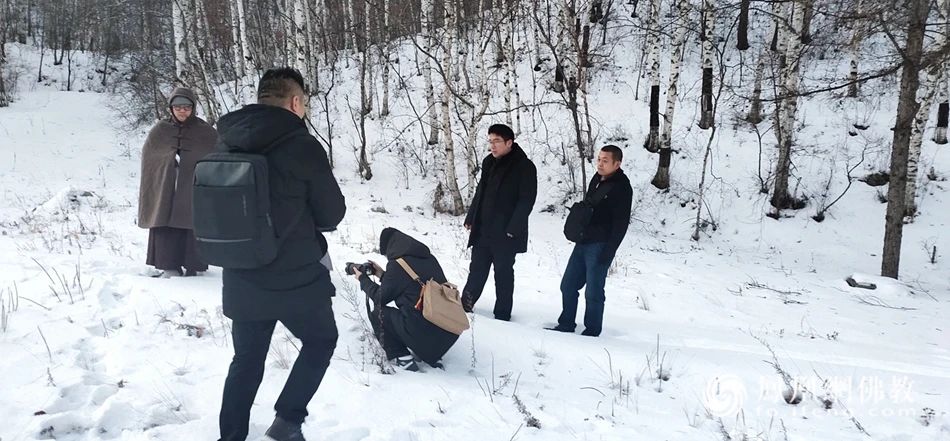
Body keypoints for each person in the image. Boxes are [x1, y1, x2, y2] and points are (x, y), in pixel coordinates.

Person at [216, 68, 346, 441]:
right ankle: (288, 421)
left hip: (242, 271)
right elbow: (331, 214)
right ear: (295, 102)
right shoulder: (302, 146)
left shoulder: (226, 141)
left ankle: (230, 436)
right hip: (295, 276)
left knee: (246, 360)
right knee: (321, 340)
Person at [548, 145, 632, 337]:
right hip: (583, 240)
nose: (600, 164)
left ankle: (592, 332)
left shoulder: (622, 187)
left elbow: (621, 223)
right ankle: (566, 324)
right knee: (568, 285)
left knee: (593, 292)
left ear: (617, 164)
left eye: (605, 161)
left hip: (601, 245)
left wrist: (609, 251)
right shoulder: (597, 179)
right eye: (599, 159)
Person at [351, 227, 459, 372]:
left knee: (379, 313)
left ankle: (401, 357)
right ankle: (431, 354)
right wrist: (381, 274)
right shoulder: (430, 259)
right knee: (418, 319)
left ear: (389, 248)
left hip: (423, 335)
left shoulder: (398, 265)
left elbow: (379, 298)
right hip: (447, 332)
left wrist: (363, 279)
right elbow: (409, 285)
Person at [138, 87, 217, 277]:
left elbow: (215, 158)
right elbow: (151, 158)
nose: (182, 111)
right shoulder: (160, 130)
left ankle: (193, 265)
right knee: (165, 219)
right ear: (171, 108)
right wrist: (168, 162)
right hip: (166, 186)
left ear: (193, 108)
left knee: (192, 220)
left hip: (194, 187)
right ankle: (168, 265)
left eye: (187, 107)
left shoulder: (206, 132)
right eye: (178, 107)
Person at [461, 124, 537, 321]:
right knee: (477, 269)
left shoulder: (524, 166)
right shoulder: (489, 162)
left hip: (506, 232)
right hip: (484, 228)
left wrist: (513, 229)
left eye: (497, 141)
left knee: (503, 273)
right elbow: (481, 192)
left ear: (509, 143)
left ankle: (502, 315)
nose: (492, 146)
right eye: (490, 141)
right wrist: (471, 217)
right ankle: (464, 306)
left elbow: (526, 200)